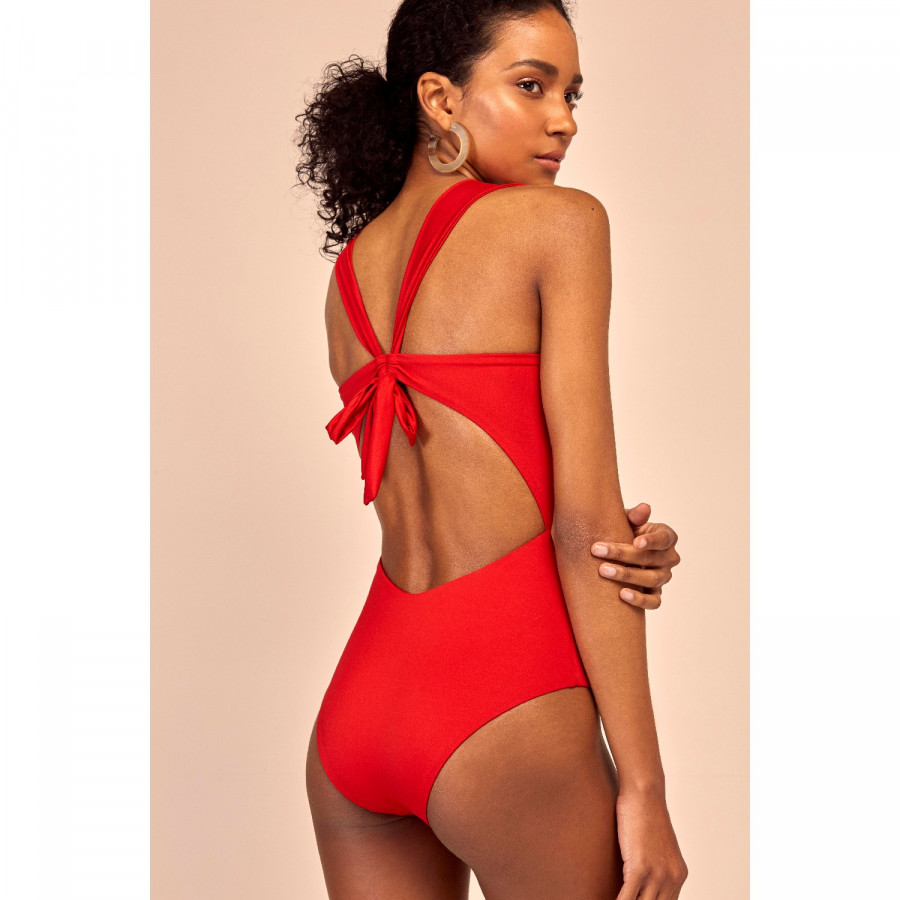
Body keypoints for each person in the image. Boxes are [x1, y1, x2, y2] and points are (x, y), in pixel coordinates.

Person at [294, 1, 688, 897]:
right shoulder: (559, 224)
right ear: (440, 99)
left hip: (359, 715)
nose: (564, 120)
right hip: (503, 702)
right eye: (531, 85)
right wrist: (645, 788)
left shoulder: (349, 271)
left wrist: (615, 544)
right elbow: (582, 530)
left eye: (571, 93)